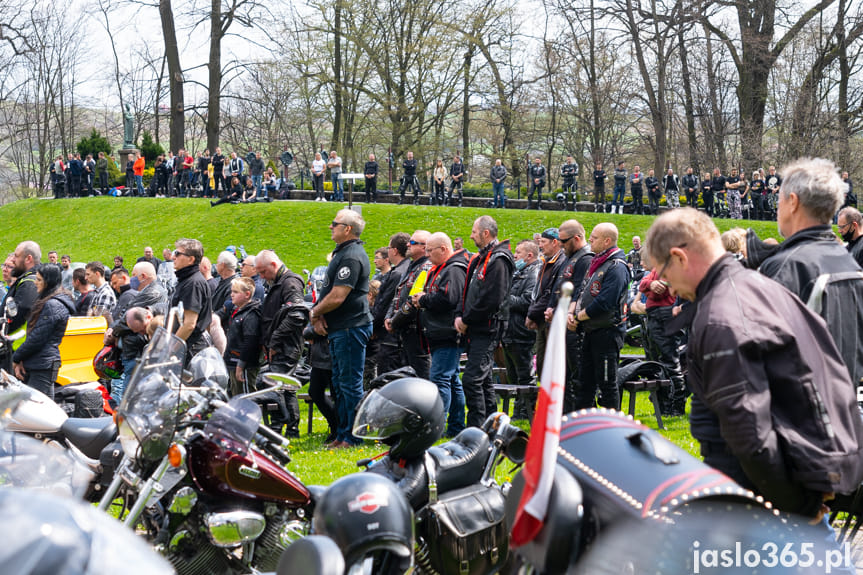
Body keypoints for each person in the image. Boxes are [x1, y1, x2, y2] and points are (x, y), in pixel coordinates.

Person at [645, 207, 863, 519]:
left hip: (758, 501)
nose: (667, 286)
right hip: (787, 480)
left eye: (664, 273)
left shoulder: (721, 317)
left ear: (680, 257)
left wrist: (797, 507)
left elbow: (749, 433)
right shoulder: (761, 286)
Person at [759, 157, 863, 397]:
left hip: (799, 417)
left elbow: (759, 358)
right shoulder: (849, 261)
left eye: (779, 200)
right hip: (845, 411)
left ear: (793, 201)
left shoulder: (785, 266)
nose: (777, 208)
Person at [310, 210, 373, 448]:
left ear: (347, 229)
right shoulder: (344, 253)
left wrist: (314, 312)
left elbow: (338, 296)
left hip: (351, 327)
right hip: (341, 328)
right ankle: (342, 434)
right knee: (339, 383)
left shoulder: (352, 256)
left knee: (349, 384)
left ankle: (353, 437)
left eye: (334, 224)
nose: (330, 227)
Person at [455, 216, 514, 427]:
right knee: (485, 379)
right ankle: (492, 425)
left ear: (485, 233)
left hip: (488, 327)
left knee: (471, 380)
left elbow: (493, 297)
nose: (470, 236)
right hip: (475, 327)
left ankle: (476, 427)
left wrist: (467, 319)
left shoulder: (498, 259)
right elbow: (469, 291)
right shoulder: (482, 258)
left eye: (473, 231)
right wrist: (461, 316)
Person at [412, 232, 468, 436]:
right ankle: (454, 426)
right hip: (441, 332)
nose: (427, 255)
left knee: (440, 379)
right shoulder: (445, 268)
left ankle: (438, 426)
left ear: (444, 249)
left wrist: (424, 299)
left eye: (430, 250)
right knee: (451, 380)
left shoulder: (453, 269)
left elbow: (448, 298)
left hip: (447, 333)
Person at [569, 223, 630, 409]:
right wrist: (572, 313)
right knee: (584, 383)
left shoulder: (617, 267)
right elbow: (582, 291)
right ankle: (584, 427)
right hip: (590, 331)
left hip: (607, 334)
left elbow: (605, 302)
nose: (589, 240)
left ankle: (610, 430)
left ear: (607, 241)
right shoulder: (598, 263)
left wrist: (578, 317)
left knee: (607, 384)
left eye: (594, 238)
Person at [256, 249, 307, 436]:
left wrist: (275, 341)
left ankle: (278, 429)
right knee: (286, 388)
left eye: (263, 272)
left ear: (274, 265)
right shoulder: (278, 282)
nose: (262, 277)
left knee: (275, 386)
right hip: (281, 344)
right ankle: (292, 428)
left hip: (286, 345)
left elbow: (297, 314)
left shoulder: (290, 283)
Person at [11, 265, 74, 399]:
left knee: (39, 408)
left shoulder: (52, 305)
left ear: (48, 282)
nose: (35, 282)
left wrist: (16, 357)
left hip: (43, 364)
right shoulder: (52, 302)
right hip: (42, 362)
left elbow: (37, 338)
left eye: (39, 280)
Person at [638, 264, 686, 415]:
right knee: (659, 362)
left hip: (665, 313)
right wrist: (650, 284)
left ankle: (676, 406)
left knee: (669, 360)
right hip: (655, 314)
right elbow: (642, 284)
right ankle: (664, 406)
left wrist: (651, 286)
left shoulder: (671, 266)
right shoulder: (658, 267)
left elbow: (658, 293)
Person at [385, 230, 433, 379]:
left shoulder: (425, 268)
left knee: (421, 378)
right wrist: (389, 316)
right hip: (405, 332)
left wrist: (394, 321)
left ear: (424, 247)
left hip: (417, 333)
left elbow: (412, 301)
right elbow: (397, 295)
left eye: (412, 242)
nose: (407, 244)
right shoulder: (412, 266)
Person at [501, 240, 540, 418]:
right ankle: (518, 412)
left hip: (522, 333)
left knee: (524, 376)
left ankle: (526, 412)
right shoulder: (519, 272)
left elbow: (527, 301)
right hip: (510, 332)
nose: (514, 256)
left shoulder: (534, 273)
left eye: (518, 252)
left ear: (529, 255)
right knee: (513, 377)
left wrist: (503, 297)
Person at [526, 228, 565, 378]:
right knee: (542, 366)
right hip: (542, 319)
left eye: (543, 242)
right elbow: (538, 293)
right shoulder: (545, 261)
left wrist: (531, 314)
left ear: (555, 242)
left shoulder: (559, 263)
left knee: (550, 367)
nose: (540, 245)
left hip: (551, 320)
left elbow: (549, 293)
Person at [171, 239, 214, 363]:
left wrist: (171, 350)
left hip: (191, 350)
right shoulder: (187, 280)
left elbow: (189, 324)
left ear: (191, 259)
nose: (173, 257)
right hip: (188, 347)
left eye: (177, 254)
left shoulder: (193, 283)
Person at [375, 233, 410, 375]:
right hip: (397, 334)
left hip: (390, 336)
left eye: (389, 248)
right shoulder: (406, 269)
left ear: (394, 250)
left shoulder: (397, 274)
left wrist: (372, 328)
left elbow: (384, 304)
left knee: (388, 377)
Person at [224, 277, 262, 396]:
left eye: (235, 292)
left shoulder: (251, 314)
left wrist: (241, 366)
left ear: (247, 294)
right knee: (236, 397)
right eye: (231, 291)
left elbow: (250, 342)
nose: (232, 295)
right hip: (232, 362)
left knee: (246, 397)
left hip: (244, 365)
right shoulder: (237, 311)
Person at [3, 241, 40, 340]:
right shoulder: (26, 280)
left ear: (28, 259)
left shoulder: (29, 283)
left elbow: (19, 314)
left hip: (17, 348)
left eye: (16, 256)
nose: (13, 260)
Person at [212, 251, 239, 332]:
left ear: (223, 265)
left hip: (222, 329)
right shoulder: (223, 281)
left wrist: (210, 319)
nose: (216, 265)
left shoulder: (234, 285)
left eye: (217, 263)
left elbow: (226, 310)